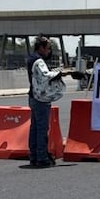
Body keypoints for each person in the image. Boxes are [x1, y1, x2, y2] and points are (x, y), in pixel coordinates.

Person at [27, 35, 71, 168]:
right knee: (41, 129)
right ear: (41, 48)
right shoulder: (38, 61)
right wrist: (64, 73)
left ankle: (34, 156)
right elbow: (46, 76)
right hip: (41, 98)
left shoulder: (31, 59)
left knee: (34, 128)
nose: (49, 51)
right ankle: (41, 157)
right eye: (48, 48)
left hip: (33, 97)